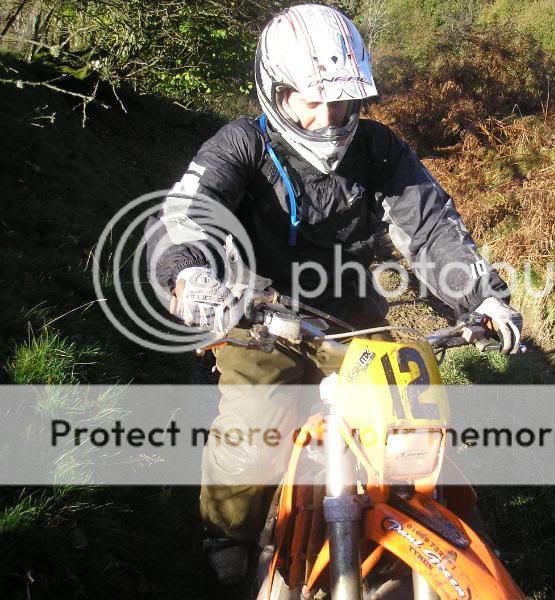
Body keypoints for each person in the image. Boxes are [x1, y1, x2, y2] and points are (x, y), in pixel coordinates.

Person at [149, 3, 523, 584]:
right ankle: (225, 549)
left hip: (351, 322)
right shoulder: (243, 144)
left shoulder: (377, 149)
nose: (329, 118)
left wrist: (481, 296)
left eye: (343, 101)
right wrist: (189, 274)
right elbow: (189, 211)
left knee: (412, 443)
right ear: (275, 90)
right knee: (251, 442)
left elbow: (428, 226)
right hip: (256, 318)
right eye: (311, 99)